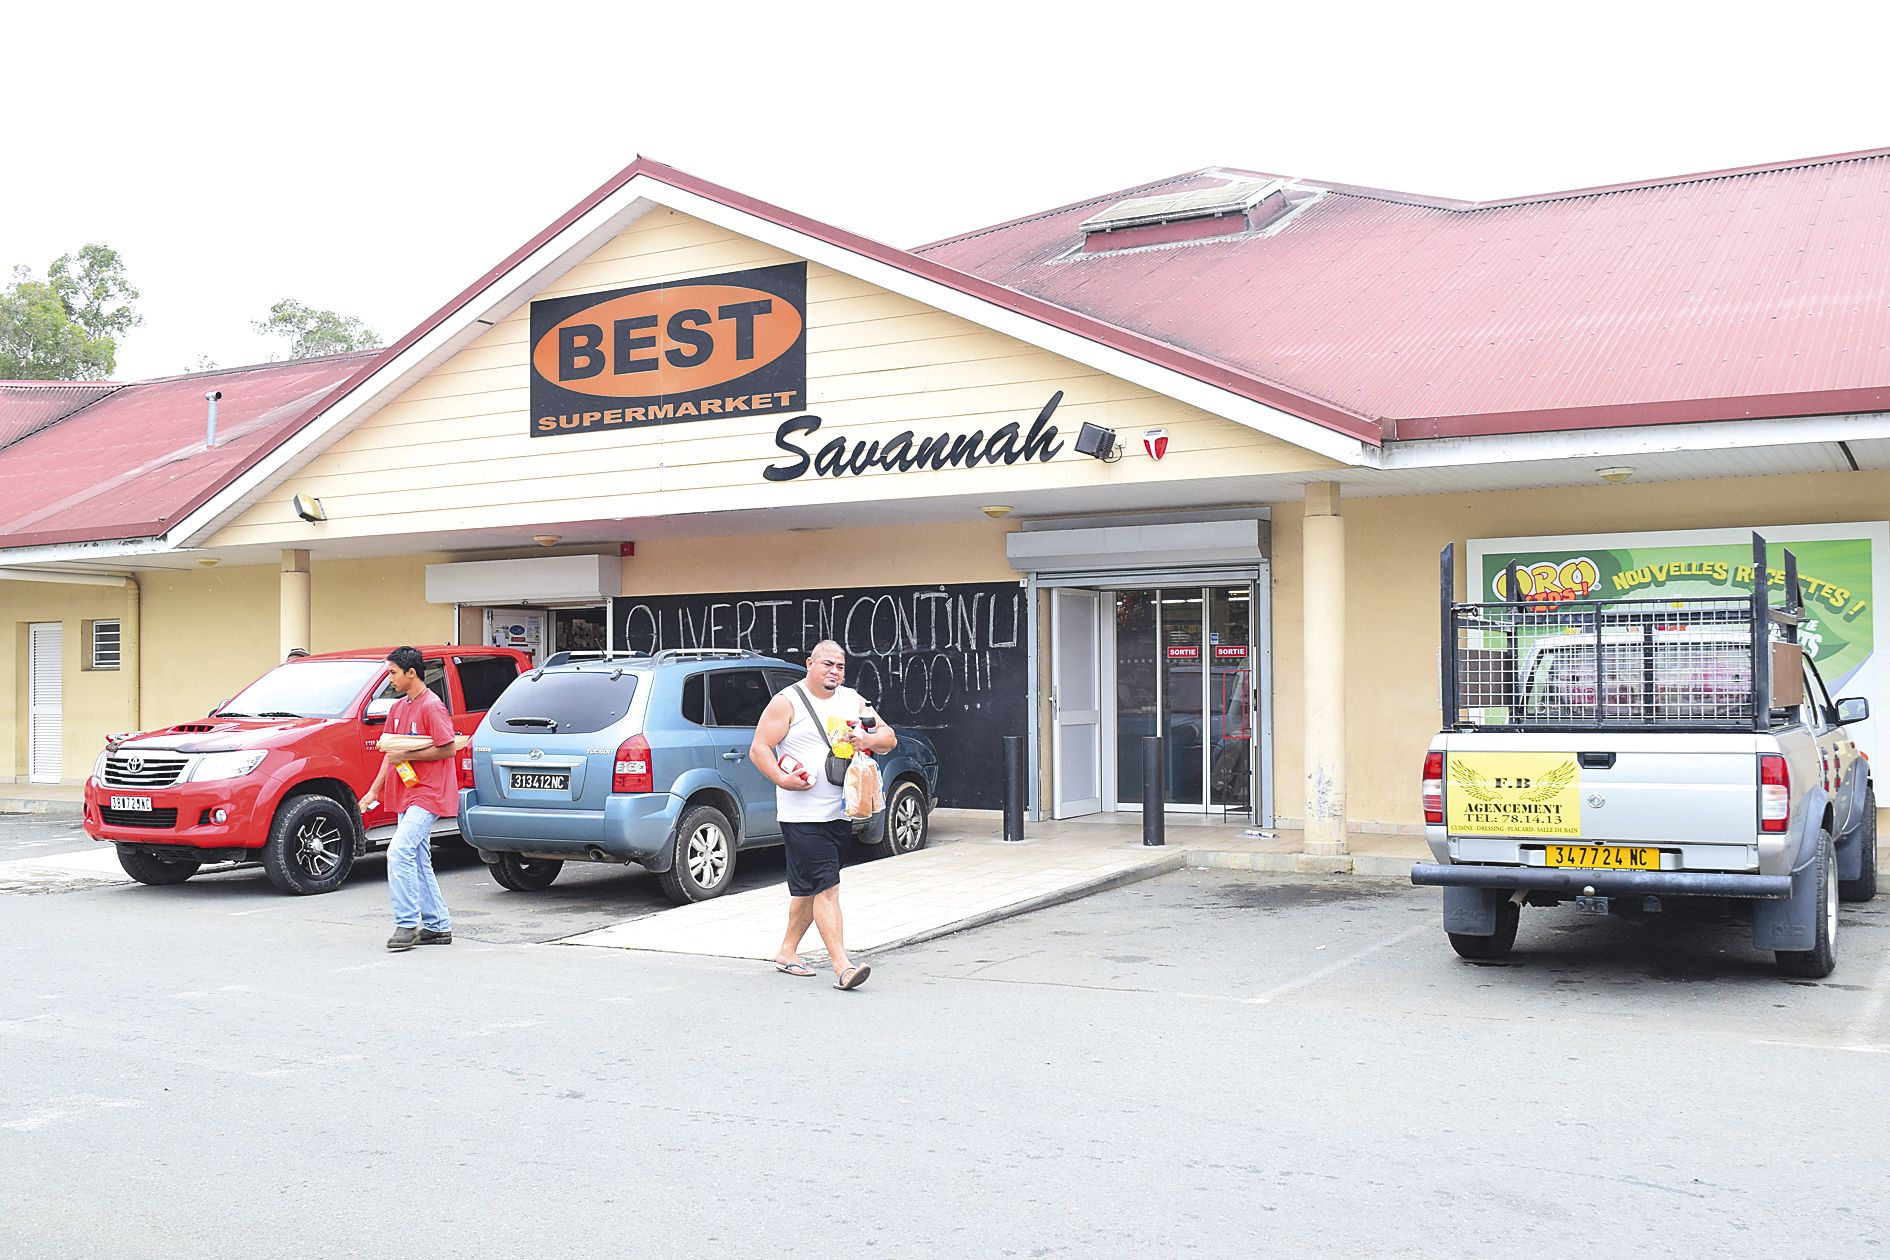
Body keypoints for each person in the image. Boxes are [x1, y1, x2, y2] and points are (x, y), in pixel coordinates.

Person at [749, 640, 896, 990]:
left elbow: (889, 737)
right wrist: (783, 779)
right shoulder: (788, 702)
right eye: (827, 664)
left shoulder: (853, 700)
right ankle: (842, 966)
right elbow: (759, 748)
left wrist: (867, 740)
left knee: (810, 891)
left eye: (840, 667)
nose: (834, 672)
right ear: (810, 663)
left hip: (842, 813)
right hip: (802, 816)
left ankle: (786, 951)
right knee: (828, 888)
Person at [360, 646, 457, 952]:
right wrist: (373, 791)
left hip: (429, 794)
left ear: (411, 673)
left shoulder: (432, 706)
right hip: (407, 792)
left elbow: (448, 748)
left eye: (392, 673)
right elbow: (391, 755)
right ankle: (437, 926)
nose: (389, 678)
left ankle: (406, 925)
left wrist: (408, 753)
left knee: (399, 851)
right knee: (417, 857)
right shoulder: (398, 708)